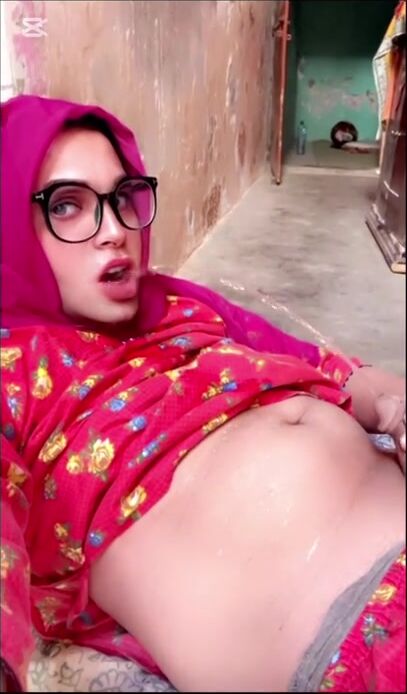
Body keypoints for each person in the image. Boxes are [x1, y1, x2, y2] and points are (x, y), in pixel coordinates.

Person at [1, 94, 405, 693]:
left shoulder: (176, 304)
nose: (115, 231)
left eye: (123, 197)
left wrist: (395, 409)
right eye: (67, 205)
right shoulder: (12, 370)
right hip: (356, 640)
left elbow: (345, 376)